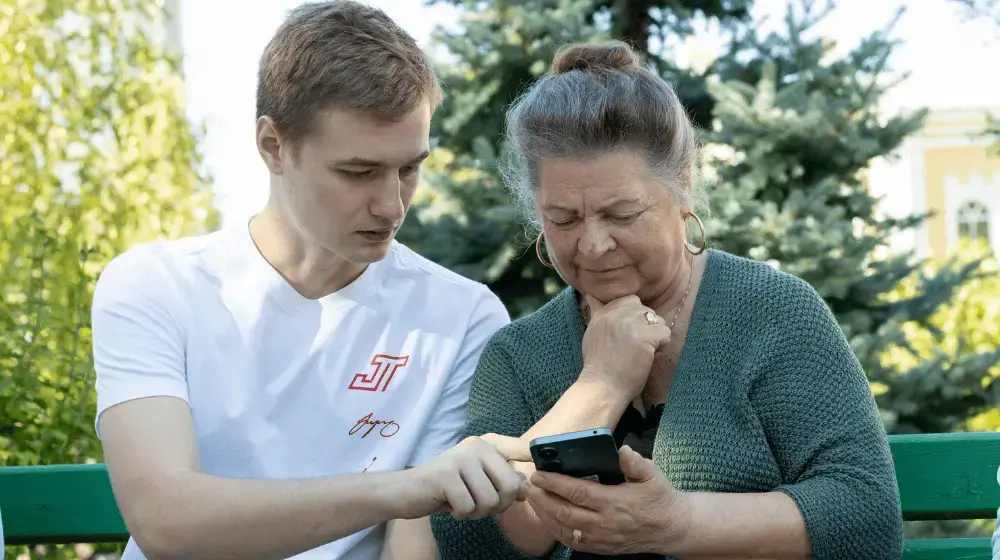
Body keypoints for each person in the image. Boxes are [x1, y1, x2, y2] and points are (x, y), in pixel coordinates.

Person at [430, 40, 904, 560]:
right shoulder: (519, 355)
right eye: (563, 219)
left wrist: (675, 525)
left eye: (622, 214)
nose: (593, 244)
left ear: (683, 185)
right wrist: (602, 385)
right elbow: (468, 544)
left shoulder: (772, 312)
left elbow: (865, 514)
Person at [91, 2, 530, 559]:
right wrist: (403, 487)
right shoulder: (155, 287)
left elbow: (412, 545)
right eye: (359, 172)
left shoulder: (462, 316)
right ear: (273, 147)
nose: (393, 205)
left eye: (410, 168)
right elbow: (166, 522)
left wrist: (412, 497)